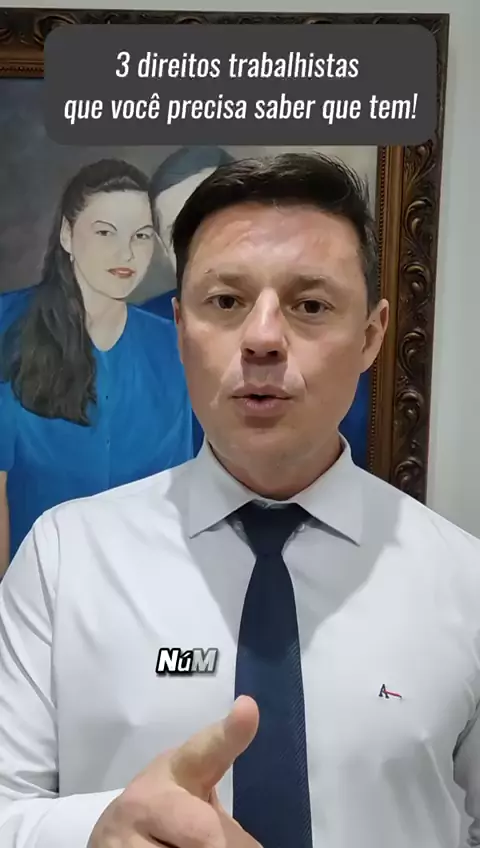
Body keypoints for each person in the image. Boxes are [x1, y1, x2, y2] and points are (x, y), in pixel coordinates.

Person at [1, 152, 479, 848]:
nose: (261, 339)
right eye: (225, 302)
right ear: (180, 328)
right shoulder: (63, 560)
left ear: (371, 336)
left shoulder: (464, 582)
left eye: (310, 306)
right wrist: (95, 830)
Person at [0, 158, 194, 575]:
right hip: (31, 587)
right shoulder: (7, 327)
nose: (126, 253)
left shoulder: (173, 346)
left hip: (145, 586)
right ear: (67, 235)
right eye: (106, 232)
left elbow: (180, 496)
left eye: (141, 236)